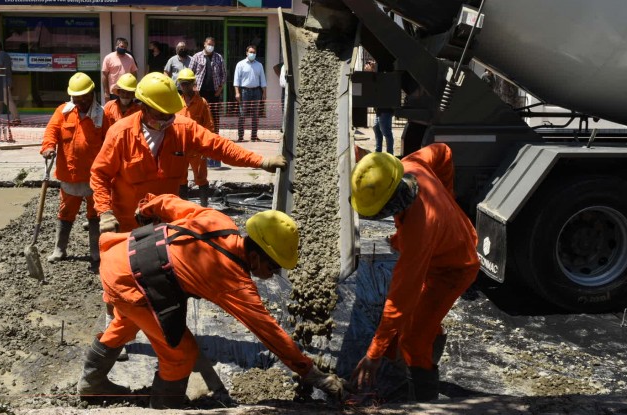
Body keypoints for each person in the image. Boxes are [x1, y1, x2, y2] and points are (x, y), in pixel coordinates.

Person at [76, 193, 344, 407]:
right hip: (130, 284)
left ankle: (91, 384)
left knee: (127, 321)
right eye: (273, 268)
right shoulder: (233, 282)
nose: (273, 275)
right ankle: (165, 405)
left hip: (120, 255)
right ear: (256, 257)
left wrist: (146, 208)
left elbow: (169, 203)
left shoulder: (219, 221)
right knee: (182, 354)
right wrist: (313, 375)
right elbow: (271, 334)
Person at [349, 144, 480, 402]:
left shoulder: (417, 234)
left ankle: (425, 402)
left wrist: (373, 355)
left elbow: (399, 300)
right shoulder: (410, 165)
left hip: (454, 269)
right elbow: (443, 152)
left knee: (413, 338)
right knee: (418, 322)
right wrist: (447, 197)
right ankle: (422, 352)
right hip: (447, 244)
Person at [91, 72, 287, 235]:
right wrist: (105, 212)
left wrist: (261, 161)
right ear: (143, 107)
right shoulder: (121, 134)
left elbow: (219, 147)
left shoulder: (183, 129)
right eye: (161, 113)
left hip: (165, 223)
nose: (168, 118)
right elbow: (100, 174)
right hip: (128, 225)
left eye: (170, 113)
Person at [40, 72, 107, 265]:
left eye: (84, 97)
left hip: (95, 177)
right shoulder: (63, 111)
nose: (81, 101)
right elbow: (51, 131)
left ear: (92, 93)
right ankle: (59, 249)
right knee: (65, 213)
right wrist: (49, 147)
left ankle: (95, 250)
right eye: (77, 98)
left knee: (95, 214)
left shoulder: (102, 116)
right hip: (69, 174)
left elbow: (110, 142)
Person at [176, 68, 213, 207]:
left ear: (193, 84)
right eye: (182, 83)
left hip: (197, 148)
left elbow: (209, 125)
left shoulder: (202, 103)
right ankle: (183, 208)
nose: (184, 86)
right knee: (181, 179)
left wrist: (207, 148)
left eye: (187, 83)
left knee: (201, 178)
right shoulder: (177, 103)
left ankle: (204, 207)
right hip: (180, 148)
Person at [188, 37, 226, 134]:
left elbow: (224, 74)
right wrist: (194, 88)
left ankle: (215, 134)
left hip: (214, 92)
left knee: (214, 115)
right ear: (204, 44)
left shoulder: (219, 57)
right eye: (209, 44)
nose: (210, 47)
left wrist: (220, 88)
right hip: (200, 92)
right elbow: (190, 73)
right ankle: (198, 134)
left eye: (212, 45)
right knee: (199, 113)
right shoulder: (196, 56)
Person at [233, 45, 266, 142]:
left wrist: (264, 93)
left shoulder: (259, 65)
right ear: (246, 53)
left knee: (255, 114)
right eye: (250, 52)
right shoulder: (240, 64)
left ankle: (254, 136)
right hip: (244, 92)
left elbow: (263, 80)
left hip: (256, 91)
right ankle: (240, 137)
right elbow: (236, 80)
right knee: (242, 114)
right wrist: (237, 92)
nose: (252, 54)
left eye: (254, 52)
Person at [0, 40, 20, 125]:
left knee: (7, 100)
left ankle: (16, 118)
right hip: (5, 80)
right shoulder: (6, 55)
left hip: (3, 82)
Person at [365, 60, 394, 154]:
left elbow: (378, 82)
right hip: (379, 109)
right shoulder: (375, 76)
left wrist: (373, 70)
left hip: (385, 109)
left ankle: (390, 154)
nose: (367, 66)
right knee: (377, 129)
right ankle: (378, 152)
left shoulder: (381, 76)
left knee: (386, 132)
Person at [101, 38, 138, 103]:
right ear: (116, 46)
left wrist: (133, 89)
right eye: (122, 46)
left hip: (126, 91)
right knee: (114, 111)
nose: (123, 48)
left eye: (125, 47)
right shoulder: (108, 58)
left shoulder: (130, 58)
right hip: (113, 91)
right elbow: (104, 76)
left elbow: (134, 73)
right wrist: (106, 93)